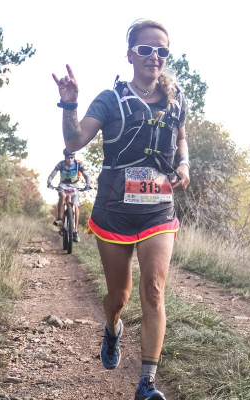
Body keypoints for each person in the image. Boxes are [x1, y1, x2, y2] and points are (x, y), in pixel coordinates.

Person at [52, 19, 190, 400]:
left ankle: (147, 383)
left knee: (154, 289)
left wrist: (184, 165)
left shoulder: (176, 98)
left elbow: (181, 138)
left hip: (158, 210)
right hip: (114, 209)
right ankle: (112, 328)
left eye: (161, 51)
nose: (154, 56)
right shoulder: (110, 100)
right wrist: (69, 104)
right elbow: (74, 141)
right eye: (145, 49)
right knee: (119, 296)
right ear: (130, 55)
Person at [47, 148, 92, 242]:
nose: (70, 160)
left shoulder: (78, 164)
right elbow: (51, 175)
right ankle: (60, 219)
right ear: (65, 157)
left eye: (72, 157)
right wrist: (49, 182)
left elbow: (86, 175)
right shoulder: (61, 164)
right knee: (62, 196)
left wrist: (88, 184)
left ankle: (75, 231)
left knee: (75, 206)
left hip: (74, 186)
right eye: (68, 158)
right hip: (63, 185)